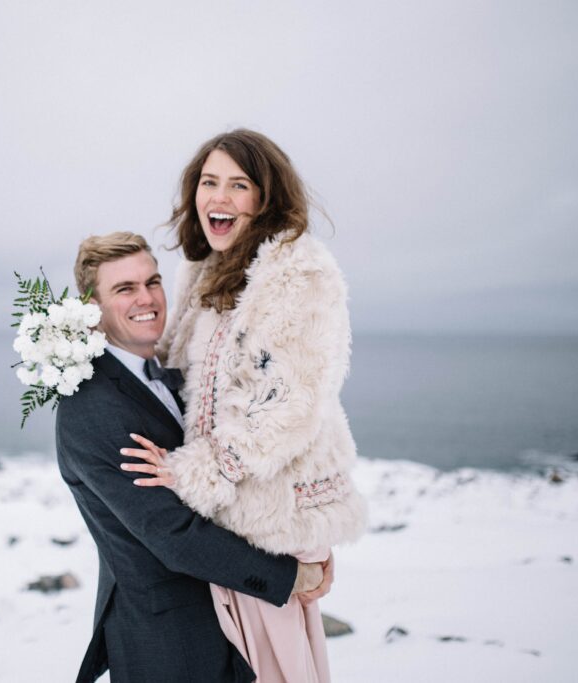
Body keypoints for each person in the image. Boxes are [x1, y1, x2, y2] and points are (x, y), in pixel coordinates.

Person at [121, 130, 367, 683]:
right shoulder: (204, 268)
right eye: (209, 182)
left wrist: (193, 472)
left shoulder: (298, 275)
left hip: (271, 519)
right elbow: (171, 360)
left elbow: (286, 405)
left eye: (239, 185)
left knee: (273, 670)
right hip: (229, 520)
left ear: (266, 198)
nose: (219, 198)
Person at [55, 231, 332, 683]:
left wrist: (308, 531)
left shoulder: (170, 377)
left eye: (152, 281)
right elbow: (174, 535)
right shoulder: (92, 408)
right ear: (92, 308)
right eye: (124, 289)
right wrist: (288, 577)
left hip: (223, 624)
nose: (146, 298)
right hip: (173, 645)